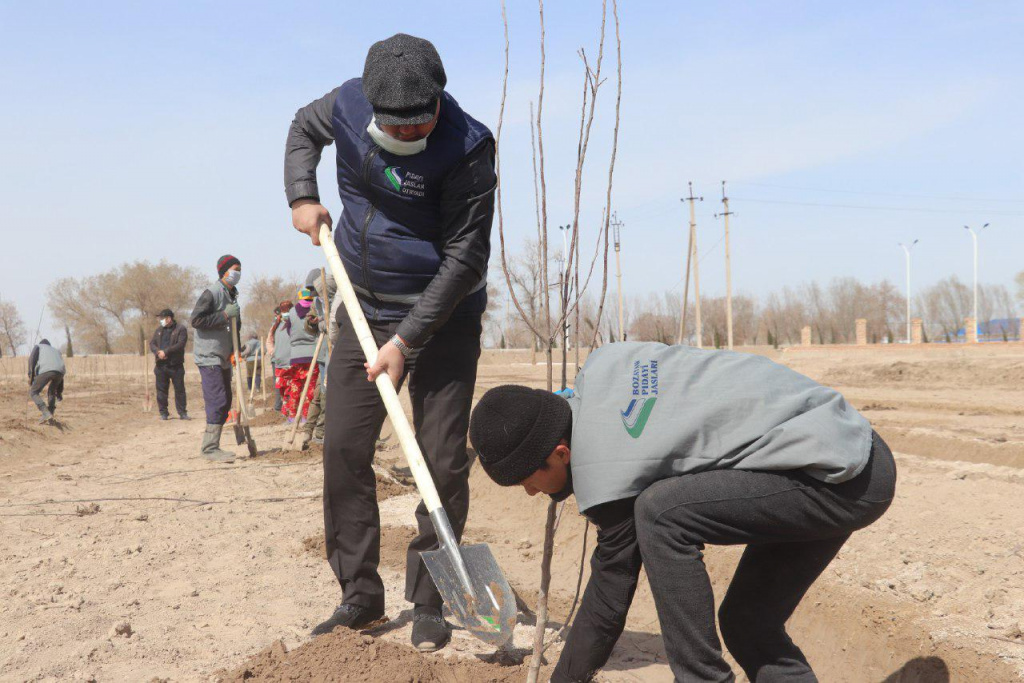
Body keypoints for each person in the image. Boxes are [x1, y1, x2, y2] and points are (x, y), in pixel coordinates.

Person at [469, 342, 898, 682]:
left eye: (527, 479)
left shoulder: (607, 467)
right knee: (748, 621)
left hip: (839, 474)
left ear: (560, 453)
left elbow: (609, 596)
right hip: (839, 447)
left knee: (661, 512)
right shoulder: (605, 370)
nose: (529, 492)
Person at [285, 33, 495, 651]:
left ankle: (433, 598)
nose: (407, 135)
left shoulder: (470, 147)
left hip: (444, 313)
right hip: (361, 301)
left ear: (438, 102)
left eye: (419, 124)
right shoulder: (348, 105)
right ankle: (359, 594)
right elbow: (303, 127)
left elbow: (465, 261)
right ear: (373, 108)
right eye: (394, 126)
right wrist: (303, 193)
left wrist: (406, 341)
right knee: (345, 449)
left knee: (440, 459)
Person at [190, 255, 243, 463]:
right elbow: (196, 320)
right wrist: (223, 315)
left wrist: (235, 349)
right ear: (224, 271)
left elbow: (234, 326)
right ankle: (209, 448)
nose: (238, 273)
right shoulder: (211, 293)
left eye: (240, 269)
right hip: (208, 355)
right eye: (235, 269)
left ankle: (214, 446)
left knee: (226, 400)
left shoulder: (232, 295)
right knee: (217, 399)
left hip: (223, 356)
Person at [301, 268, 335, 446]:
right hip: (322, 352)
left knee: (328, 393)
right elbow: (309, 325)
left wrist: (325, 321)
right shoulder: (316, 302)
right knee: (321, 393)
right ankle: (313, 432)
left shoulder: (337, 298)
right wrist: (311, 322)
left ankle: (322, 432)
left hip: (336, 351)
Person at [280, 286, 320, 421]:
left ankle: (292, 415)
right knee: (311, 386)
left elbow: (289, 331)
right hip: (312, 354)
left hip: (296, 355)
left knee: (295, 384)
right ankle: (305, 415)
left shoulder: (291, 312)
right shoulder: (315, 309)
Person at [149, 308, 190, 420]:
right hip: (161, 366)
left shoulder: (180, 329)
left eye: (162, 318)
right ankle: (163, 413)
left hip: (176, 366)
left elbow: (180, 344)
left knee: (179, 390)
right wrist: (158, 352)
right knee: (161, 391)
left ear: (169, 318)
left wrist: (166, 351)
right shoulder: (158, 330)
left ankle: (182, 413)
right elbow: (152, 343)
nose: (160, 320)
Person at [28, 338, 65, 423]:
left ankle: (45, 413)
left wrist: (31, 375)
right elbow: (60, 371)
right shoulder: (56, 351)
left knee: (34, 392)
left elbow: (32, 359)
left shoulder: (38, 346)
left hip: (46, 370)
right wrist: (59, 392)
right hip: (60, 373)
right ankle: (50, 414)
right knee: (52, 391)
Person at [266, 302, 293, 413]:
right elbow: (269, 341)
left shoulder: (291, 323)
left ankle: (287, 407)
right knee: (283, 384)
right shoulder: (276, 325)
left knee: (286, 384)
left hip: (285, 358)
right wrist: (273, 352)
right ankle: (282, 407)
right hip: (280, 359)